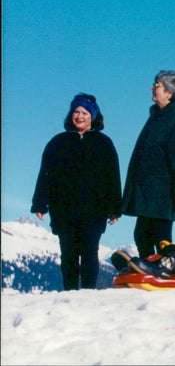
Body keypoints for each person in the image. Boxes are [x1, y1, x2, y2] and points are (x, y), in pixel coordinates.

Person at [31, 93, 121, 290]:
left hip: (94, 210)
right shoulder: (57, 143)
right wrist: (39, 203)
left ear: (93, 117)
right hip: (64, 209)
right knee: (69, 253)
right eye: (76, 112)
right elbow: (45, 174)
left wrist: (115, 208)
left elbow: (113, 177)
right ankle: (69, 293)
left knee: (89, 251)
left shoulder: (104, 143)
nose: (79, 116)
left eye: (85, 113)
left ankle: (88, 293)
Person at [121, 70, 175, 257]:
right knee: (141, 235)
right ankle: (149, 266)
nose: (152, 88)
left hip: (163, 194)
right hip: (148, 193)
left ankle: (164, 266)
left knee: (160, 237)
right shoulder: (156, 117)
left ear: (169, 92)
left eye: (157, 85)